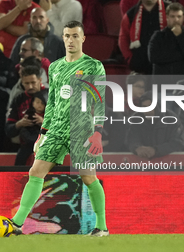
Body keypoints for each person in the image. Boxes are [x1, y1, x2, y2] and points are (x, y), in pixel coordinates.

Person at [7, 21, 109, 237]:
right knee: (35, 172)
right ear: (63, 38)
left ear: (82, 39)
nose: (70, 40)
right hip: (56, 129)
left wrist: (98, 132)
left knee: (89, 178)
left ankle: (102, 226)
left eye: (74, 36)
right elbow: (51, 102)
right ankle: (16, 223)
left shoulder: (93, 66)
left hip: (83, 129)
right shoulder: (55, 67)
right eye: (66, 36)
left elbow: (100, 101)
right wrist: (42, 134)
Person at [126, 91, 184, 159]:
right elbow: (130, 139)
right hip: (141, 163)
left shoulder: (171, 119)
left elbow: (178, 142)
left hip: (167, 162)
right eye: (144, 107)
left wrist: (156, 150)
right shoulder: (135, 119)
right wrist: (137, 148)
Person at [148, 2, 184, 76]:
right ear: (167, 17)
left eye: (179, 16)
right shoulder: (158, 36)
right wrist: (182, 56)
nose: (176, 19)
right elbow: (153, 57)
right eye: (172, 16)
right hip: (162, 82)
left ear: (183, 18)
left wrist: (180, 36)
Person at [119, 0, 167, 74]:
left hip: (165, 66)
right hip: (140, 67)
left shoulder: (170, 11)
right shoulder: (130, 14)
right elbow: (123, 38)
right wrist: (130, 59)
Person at [6, 65, 46, 146]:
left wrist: (44, 122)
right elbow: (8, 130)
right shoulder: (18, 99)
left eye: (33, 82)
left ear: (40, 80)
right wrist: (20, 124)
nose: (30, 86)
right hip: (25, 143)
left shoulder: (51, 96)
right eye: (27, 83)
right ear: (22, 82)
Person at [16, 89, 48, 165]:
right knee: (22, 155)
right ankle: (18, 171)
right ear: (33, 103)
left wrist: (43, 122)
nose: (39, 105)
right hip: (29, 140)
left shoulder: (49, 116)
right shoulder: (29, 113)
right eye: (37, 102)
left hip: (43, 141)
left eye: (42, 103)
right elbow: (24, 129)